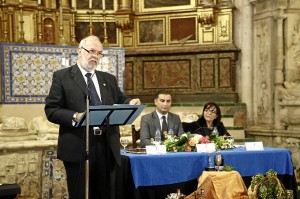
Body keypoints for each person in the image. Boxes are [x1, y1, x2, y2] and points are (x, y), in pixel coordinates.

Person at [44, 35, 140, 199]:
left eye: (100, 53)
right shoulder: (62, 76)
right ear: (80, 51)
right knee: (81, 193)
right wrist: (75, 115)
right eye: (92, 51)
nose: (95, 56)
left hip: (107, 146)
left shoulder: (108, 79)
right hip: (78, 146)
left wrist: (130, 101)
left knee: (106, 193)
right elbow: (52, 109)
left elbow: (120, 98)